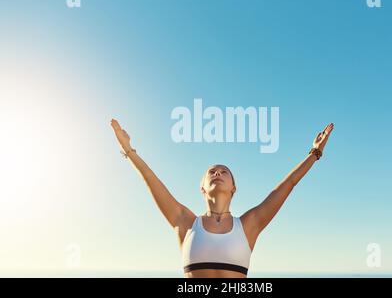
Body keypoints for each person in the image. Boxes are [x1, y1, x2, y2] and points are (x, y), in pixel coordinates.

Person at [110, 119, 334, 278]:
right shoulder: (185, 222)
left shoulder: (248, 225)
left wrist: (314, 154)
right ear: (202, 188)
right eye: (211, 172)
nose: (217, 173)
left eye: (223, 171)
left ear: (233, 188)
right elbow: (151, 180)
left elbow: (287, 186)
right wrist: (128, 150)